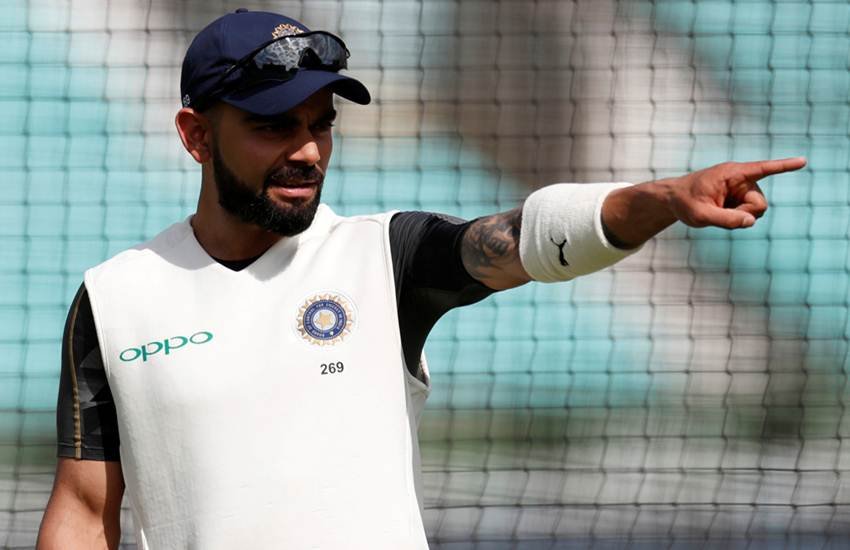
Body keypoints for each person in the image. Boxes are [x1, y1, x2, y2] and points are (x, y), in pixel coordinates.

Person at [36, 9, 806, 550]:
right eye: (273, 125)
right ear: (196, 135)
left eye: (321, 123)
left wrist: (661, 199)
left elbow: (524, 239)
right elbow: (83, 506)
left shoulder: (385, 256)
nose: (307, 151)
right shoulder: (116, 298)